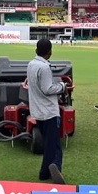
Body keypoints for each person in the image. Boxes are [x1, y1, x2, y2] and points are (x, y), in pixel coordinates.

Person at [27, 39, 67, 184]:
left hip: (37, 110)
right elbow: (47, 89)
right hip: (49, 111)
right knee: (53, 145)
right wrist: (62, 86)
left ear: (36, 50)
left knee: (52, 143)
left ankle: (53, 169)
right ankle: (46, 172)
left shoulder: (31, 64)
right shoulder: (44, 67)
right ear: (50, 52)